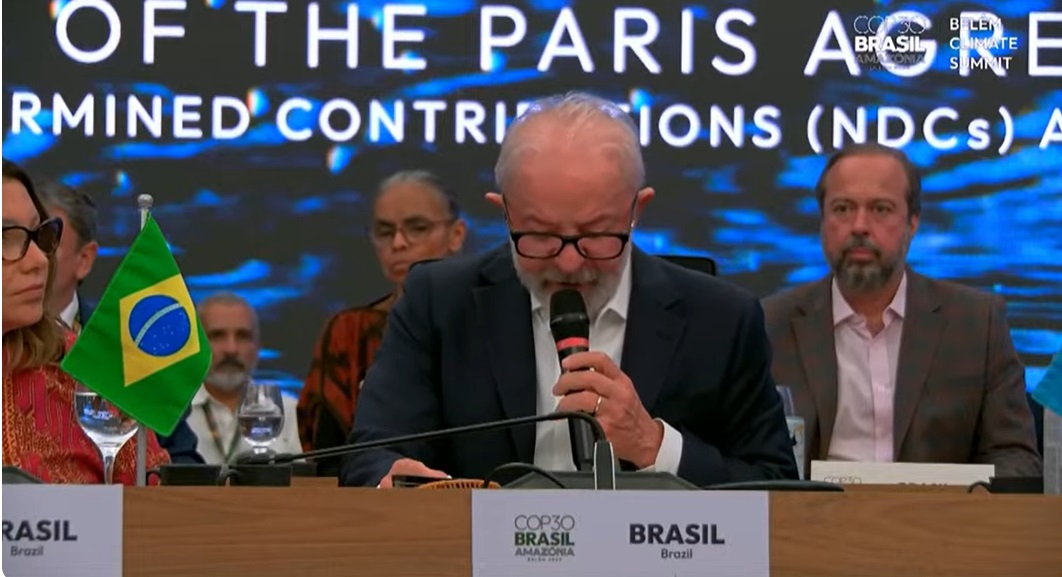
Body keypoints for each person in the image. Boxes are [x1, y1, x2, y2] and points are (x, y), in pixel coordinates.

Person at [341, 93, 797, 488]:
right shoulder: (439, 303)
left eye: (595, 235)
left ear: (637, 211)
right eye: (540, 236)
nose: (569, 263)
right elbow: (370, 453)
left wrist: (654, 445)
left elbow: (779, 488)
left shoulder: (721, 319)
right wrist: (392, 477)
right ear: (505, 213)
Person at [762, 143, 1041, 478]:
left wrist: (962, 499)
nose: (859, 226)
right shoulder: (769, 325)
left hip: (939, 510)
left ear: (913, 222)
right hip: (810, 511)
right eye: (843, 208)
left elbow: (1016, 457)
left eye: (880, 209)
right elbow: (743, 458)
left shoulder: (976, 324)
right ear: (822, 221)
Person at [1, 159, 170, 484]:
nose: (39, 260)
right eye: (6, 238)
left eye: (38, 235)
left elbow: (152, 491)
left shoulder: (83, 366)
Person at [297, 170, 467, 475]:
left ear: (456, 234)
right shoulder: (349, 332)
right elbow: (324, 449)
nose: (398, 243)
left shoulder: (487, 324)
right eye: (385, 232)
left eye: (417, 228)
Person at [34, 176, 204, 465]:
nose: (31, 255)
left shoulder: (130, 342)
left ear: (84, 259)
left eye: (47, 240)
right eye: (18, 238)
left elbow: (182, 461)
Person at [185, 291, 301, 465]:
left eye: (243, 336)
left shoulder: (290, 412)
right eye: (217, 336)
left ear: (258, 346)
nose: (231, 349)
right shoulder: (172, 414)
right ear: (195, 345)